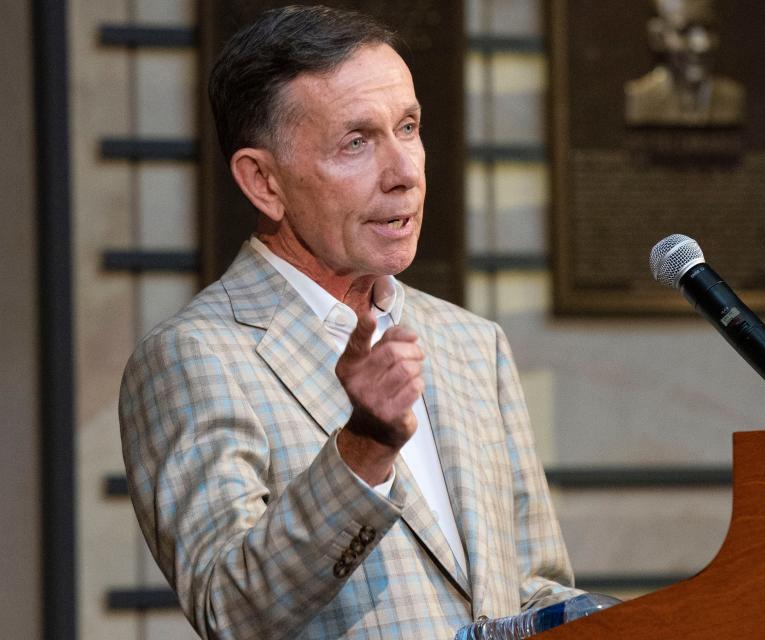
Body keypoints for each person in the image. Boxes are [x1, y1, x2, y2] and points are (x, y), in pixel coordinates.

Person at [118, 5, 579, 640]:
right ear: (263, 181)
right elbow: (230, 610)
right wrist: (363, 448)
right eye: (356, 142)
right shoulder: (195, 357)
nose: (406, 173)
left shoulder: (473, 342)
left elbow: (532, 587)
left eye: (408, 127)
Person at [624, 0, 745, 127]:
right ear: (657, 36)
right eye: (684, 31)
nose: (702, 45)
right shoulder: (641, 100)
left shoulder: (733, 99)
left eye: (709, 28)